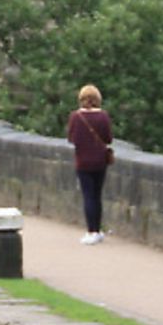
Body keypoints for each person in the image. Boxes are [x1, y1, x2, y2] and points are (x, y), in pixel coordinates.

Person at [66, 84, 114, 245]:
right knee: (97, 195)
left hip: (83, 161)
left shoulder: (75, 117)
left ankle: (91, 231)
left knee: (88, 196)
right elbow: (108, 138)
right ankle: (98, 230)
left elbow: (72, 139)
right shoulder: (104, 116)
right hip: (101, 161)